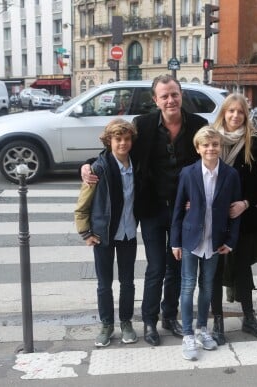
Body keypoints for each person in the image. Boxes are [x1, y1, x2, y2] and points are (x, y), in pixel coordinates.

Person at [81, 74, 208, 346]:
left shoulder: (198, 124)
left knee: (176, 268)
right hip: (151, 210)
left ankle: (169, 316)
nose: (170, 100)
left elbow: (208, 161)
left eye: (174, 94)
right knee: (156, 267)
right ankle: (149, 320)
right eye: (164, 96)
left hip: (182, 212)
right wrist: (89, 164)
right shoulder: (144, 125)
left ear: (181, 94)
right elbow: (117, 152)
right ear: (156, 100)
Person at [171, 126, 242, 361]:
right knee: (188, 285)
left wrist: (231, 241)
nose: (211, 148)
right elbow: (178, 208)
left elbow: (235, 212)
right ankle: (188, 334)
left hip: (216, 240)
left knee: (208, 286)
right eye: (206, 145)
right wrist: (175, 242)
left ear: (220, 147)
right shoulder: (188, 173)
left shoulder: (230, 175)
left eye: (214, 145)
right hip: (191, 239)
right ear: (198, 148)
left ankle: (203, 329)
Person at [209, 93, 257, 344]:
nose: (235, 116)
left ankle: (248, 317)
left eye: (240, 112)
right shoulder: (209, 139)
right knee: (215, 270)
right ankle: (218, 321)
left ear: (246, 115)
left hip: (242, 217)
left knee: (243, 268)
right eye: (230, 111)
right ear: (223, 113)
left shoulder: (254, 143)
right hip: (213, 217)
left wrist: (245, 203)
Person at [74, 118, 139, 347]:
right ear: (108, 141)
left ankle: (126, 322)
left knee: (128, 282)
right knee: (104, 283)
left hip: (128, 233)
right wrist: (85, 232)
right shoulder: (99, 168)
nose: (122, 143)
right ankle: (106, 324)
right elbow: (83, 205)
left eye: (126, 139)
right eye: (117, 139)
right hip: (103, 234)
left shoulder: (136, 165)